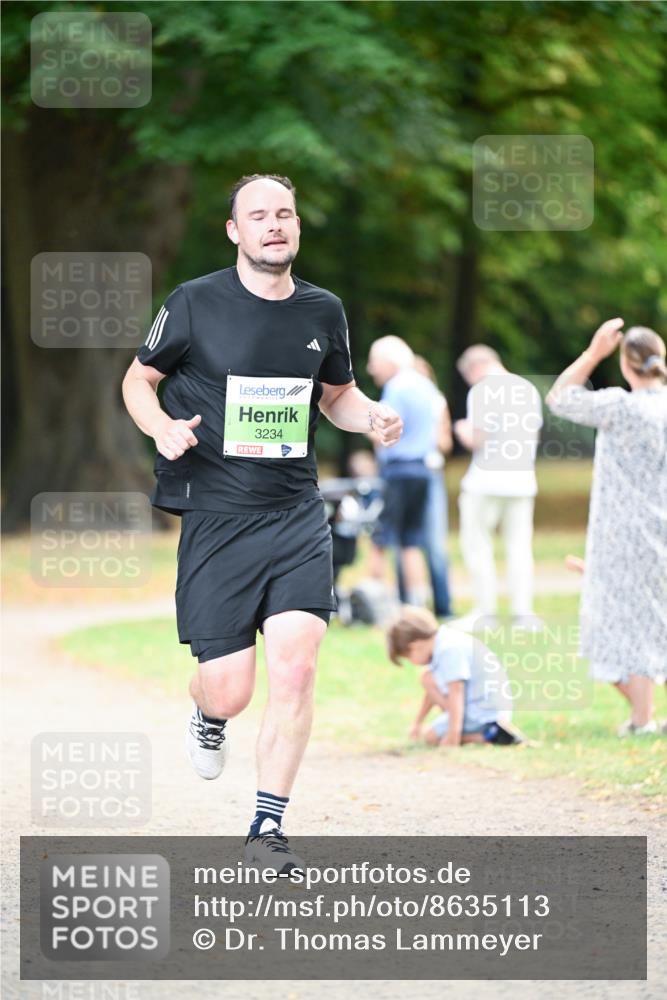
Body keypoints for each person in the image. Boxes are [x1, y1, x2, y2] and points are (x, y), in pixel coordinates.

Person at [122, 174, 402, 871]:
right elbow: (137, 380)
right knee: (231, 686)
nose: (273, 225)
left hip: (295, 513)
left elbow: (335, 396)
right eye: (258, 215)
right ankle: (208, 715)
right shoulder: (193, 302)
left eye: (284, 214)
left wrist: (369, 416)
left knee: (297, 664)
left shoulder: (322, 310)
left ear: (296, 227)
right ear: (234, 230)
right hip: (217, 517)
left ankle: (266, 829)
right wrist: (159, 430)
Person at [547, 319, 667, 736]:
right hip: (662, 529)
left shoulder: (622, 407)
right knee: (654, 620)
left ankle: (641, 719)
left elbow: (559, 398)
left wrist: (593, 353)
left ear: (626, 364)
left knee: (618, 623)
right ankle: (645, 717)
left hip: (624, 532)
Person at [453, 345, 543, 632]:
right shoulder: (527, 389)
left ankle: (486, 612)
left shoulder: (482, 391)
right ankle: (522, 613)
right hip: (521, 479)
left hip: (485, 480)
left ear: (474, 368)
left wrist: (461, 429)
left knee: (478, 545)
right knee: (519, 547)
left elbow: (477, 439)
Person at [366, 336, 443, 608]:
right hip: (422, 468)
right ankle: (416, 603)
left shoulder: (396, 388)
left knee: (380, 536)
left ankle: (374, 601)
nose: (371, 369)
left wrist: (368, 431)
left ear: (390, 361)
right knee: (412, 540)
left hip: (397, 469)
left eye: (375, 362)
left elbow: (386, 430)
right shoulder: (425, 385)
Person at [386, 606, 520, 747]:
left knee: (430, 737)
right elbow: (431, 690)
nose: (411, 662)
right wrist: (418, 722)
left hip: (484, 713)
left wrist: (453, 736)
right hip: (481, 707)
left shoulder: (449, 650)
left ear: (416, 645)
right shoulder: (442, 641)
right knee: (427, 678)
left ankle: (490, 736)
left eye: (408, 657)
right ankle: (483, 732)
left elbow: (456, 692)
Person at [413, 355, 454, 617]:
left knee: (436, 543)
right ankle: (411, 605)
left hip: (430, 472)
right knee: (405, 542)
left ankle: (443, 605)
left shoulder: (437, 402)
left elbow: (445, 443)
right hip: (406, 472)